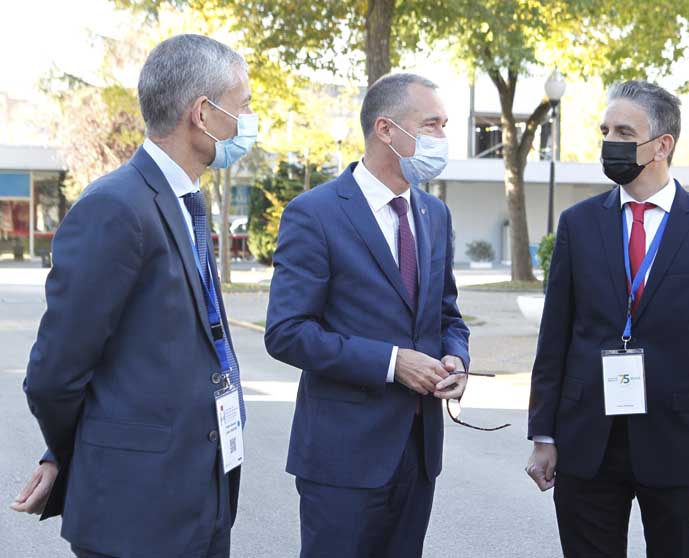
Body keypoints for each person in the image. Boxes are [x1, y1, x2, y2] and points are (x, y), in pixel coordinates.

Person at [10, 34, 254, 558]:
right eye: (244, 106)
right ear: (202, 114)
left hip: (201, 497)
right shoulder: (116, 207)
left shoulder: (185, 200)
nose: (249, 121)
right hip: (139, 519)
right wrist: (72, 451)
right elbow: (55, 375)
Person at [526, 80, 689, 558]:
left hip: (678, 446)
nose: (610, 141)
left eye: (624, 130)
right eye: (606, 130)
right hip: (588, 443)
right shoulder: (578, 224)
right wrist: (543, 434)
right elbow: (555, 335)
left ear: (662, 144)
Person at [264, 72, 470, 558]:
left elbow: (447, 315)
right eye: (432, 124)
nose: (442, 137)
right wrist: (392, 361)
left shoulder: (434, 215)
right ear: (386, 129)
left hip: (418, 454)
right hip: (342, 460)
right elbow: (287, 333)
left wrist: (456, 359)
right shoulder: (314, 213)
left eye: (445, 125)